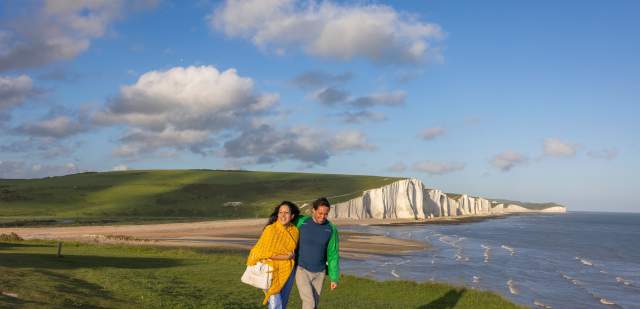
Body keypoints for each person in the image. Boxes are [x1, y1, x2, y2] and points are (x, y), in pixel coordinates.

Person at [246, 201, 300, 309]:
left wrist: (291, 257)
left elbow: (292, 250)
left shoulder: (295, 231)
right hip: (270, 270)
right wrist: (286, 257)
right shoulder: (270, 230)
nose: (283, 215)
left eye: (286, 212)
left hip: (288, 270)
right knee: (276, 303)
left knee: (283, 303)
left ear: (292, 216)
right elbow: (262, 252)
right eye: (280, 212)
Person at [293, 197, 340, 309]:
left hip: (320, 273)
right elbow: (285, 223)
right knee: (309, 302)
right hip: (302, 269)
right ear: (313, 210)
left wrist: (334, 277)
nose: (322, 216)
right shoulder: (301, 222)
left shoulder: (331, 229)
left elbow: (333, 254)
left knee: (314, 304)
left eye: (326, 214)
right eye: (320, 213)